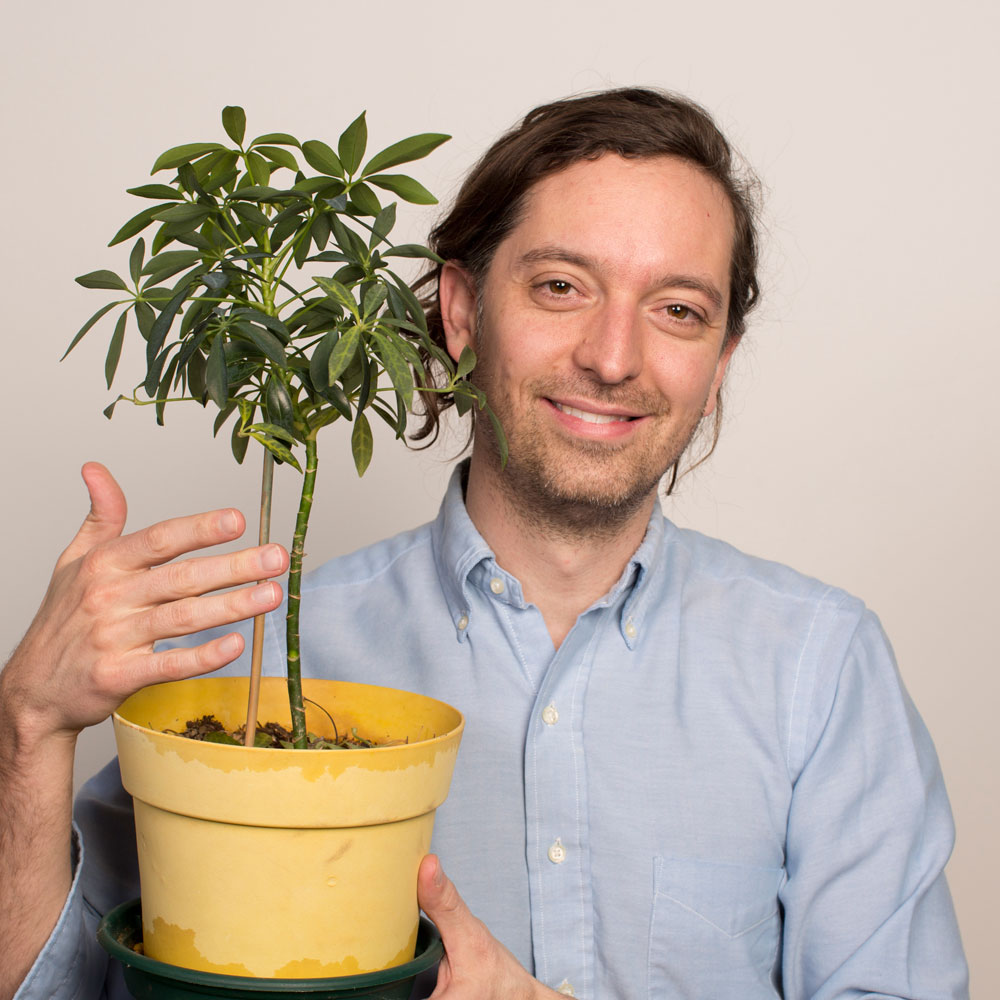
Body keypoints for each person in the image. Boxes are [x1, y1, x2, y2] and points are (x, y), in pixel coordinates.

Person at [0, 88, 969, 1000]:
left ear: (717, 364)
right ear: (460, 314)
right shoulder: (256, 666)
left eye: (677, 310)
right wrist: (30, 726)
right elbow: (68, 986)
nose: (613, 356)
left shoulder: (818, 665)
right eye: (560, 285)